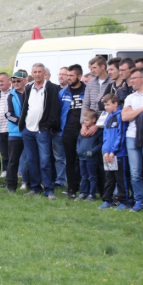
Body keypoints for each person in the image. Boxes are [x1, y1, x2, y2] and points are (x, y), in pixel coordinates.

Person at [18, 63, 61, 200]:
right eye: (35, 72)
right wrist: (23, 125)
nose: (37, 74)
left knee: (45, 160)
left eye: (39, 72)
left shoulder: (51, 88)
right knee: (31, 160)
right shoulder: (28, 88)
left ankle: (49, 190)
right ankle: (35, 188)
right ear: (32, 73)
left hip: (42, 130)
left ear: (44, 73)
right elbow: (25, 107)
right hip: (28, 130)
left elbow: (54, 109)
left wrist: (48, 126)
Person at [121, 67, 143, 212]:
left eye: (133, 78)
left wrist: (134, 111)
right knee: (135, 173)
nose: (131, 81)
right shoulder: (130, 97)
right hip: (131, 136)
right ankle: (139, 200)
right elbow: (124, 117)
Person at [99, 94, 131, 210]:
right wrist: (106, 151)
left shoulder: (120, 116)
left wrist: (113, 151)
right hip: (108, 154)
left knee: (120, 179)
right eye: (104, 105)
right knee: (109, 178)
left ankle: (124, 201)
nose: (106, 107)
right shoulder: (108, 117)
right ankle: (107, 200)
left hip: (119, 154)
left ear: (115, 104)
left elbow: (120, 135)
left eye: (108, 104)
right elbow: (105, 136)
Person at [59, 64, 86, 199]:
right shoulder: (63, 92)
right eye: (67, 75)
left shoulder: (86, 90)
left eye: (71, 76)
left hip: (83, 129)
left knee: (83, 158)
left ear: (79, 76)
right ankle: (71, 188)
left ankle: (86, 188)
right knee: (69, 160)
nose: (68, 78)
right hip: (68, 130)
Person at [5, 71, 27, 193]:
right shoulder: (10, 95)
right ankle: (11, 186)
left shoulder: (31, 93)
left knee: (31, 160)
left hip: (30, 132)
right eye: (14, 81)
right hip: (15, 133)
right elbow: (8, 114)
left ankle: (33, 184)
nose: (16, 83)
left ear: (25, 81)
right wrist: (21, 122)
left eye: (18, 81)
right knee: (13, 161)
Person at [76, 110, 102, 201]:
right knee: (83, 176)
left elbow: (100, 144)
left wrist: (92, 151)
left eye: (87, 120)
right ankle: (83, 192)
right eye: (84, 120)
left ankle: (92, 194)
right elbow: (79, 140)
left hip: (91, 158)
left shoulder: (98, 131)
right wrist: (78, 150)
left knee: (92, 177)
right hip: (82, 156)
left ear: (94, 120)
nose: (85, 122)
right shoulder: (83, 130)